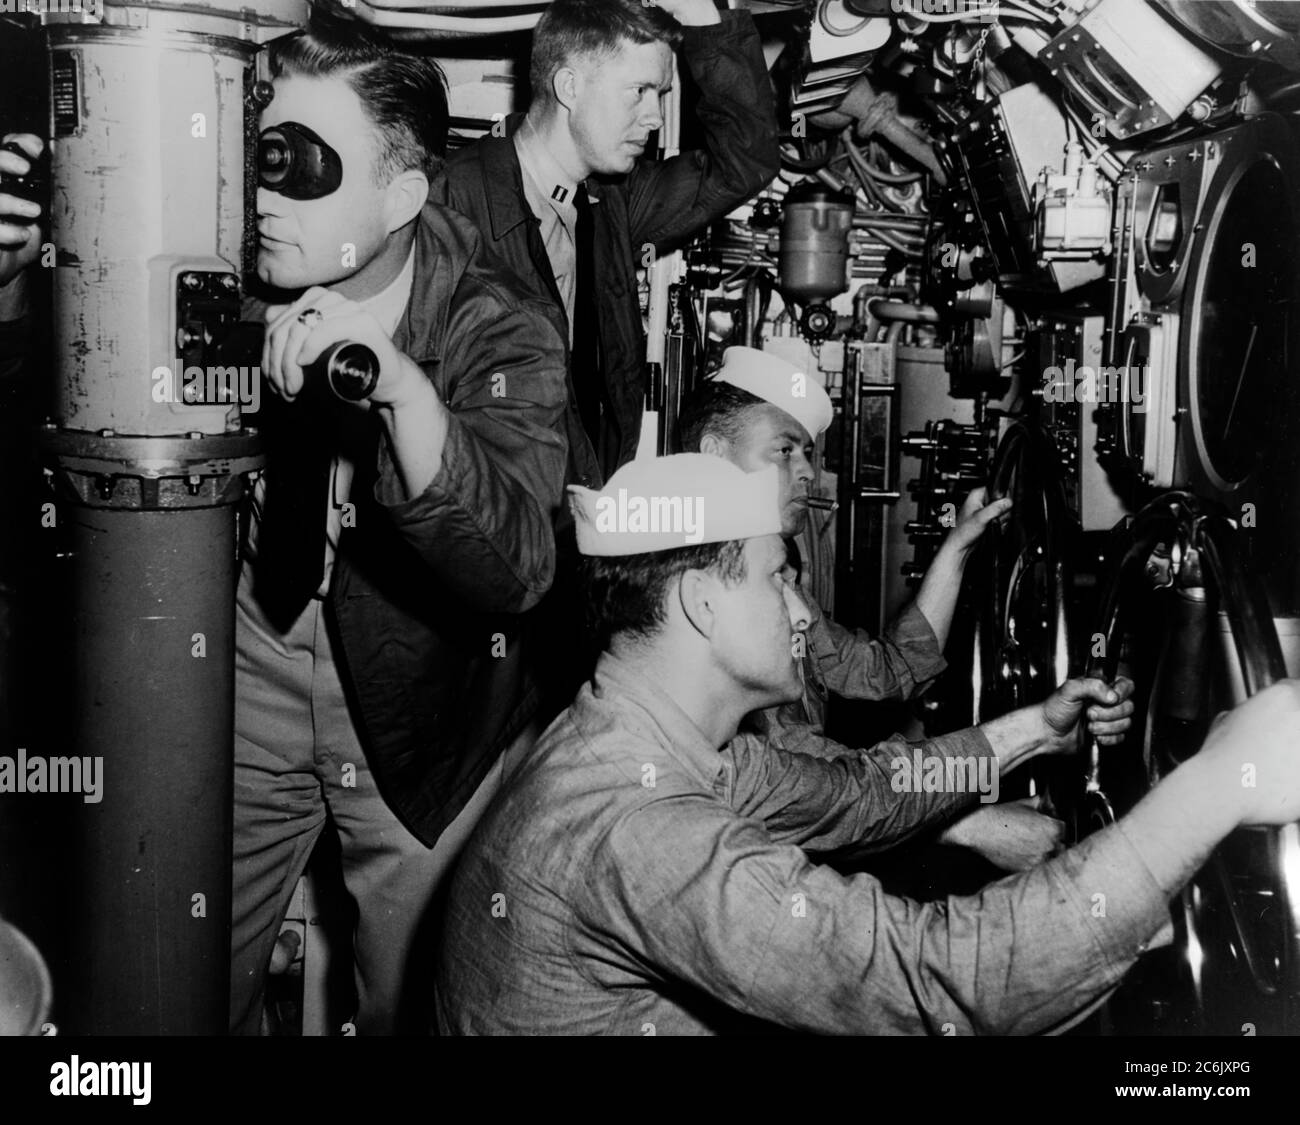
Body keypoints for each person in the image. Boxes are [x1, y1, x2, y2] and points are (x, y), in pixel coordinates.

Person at [434, 452, 1300, 1035]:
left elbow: (862, 789)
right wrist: (1224, 779)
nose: (802, 608)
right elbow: (940, 977)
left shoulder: (637, 735)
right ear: (702, 603)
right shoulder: (640, 826)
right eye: (780, 574)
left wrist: (1033, 729)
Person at [231, 20, 568, 1033]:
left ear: (401, 196)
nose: (261, 199)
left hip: (430, 706)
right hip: (250, 656)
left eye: (305, 171)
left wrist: (408, 398)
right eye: (261, 158)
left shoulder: (497, 321)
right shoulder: (224, 263)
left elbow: (516, 569)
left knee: (412, 1006)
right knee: (163, 962)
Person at [677, 346, 1078, 872]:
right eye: (784, 451)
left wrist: (958, 546)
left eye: (809, 453)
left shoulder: (778, 572)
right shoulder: (705, 598)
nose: (806, 474)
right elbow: (804, 785)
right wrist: (970, 822)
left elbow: (885, 671)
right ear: (714, 454)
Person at [434, 0, 778, 487]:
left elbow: (746, 161)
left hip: (580, 516)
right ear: (569, 86)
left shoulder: (612, 202)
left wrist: (704, 15)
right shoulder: (450, 204)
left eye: (659, 94)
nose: (655, 117)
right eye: (638, 91)